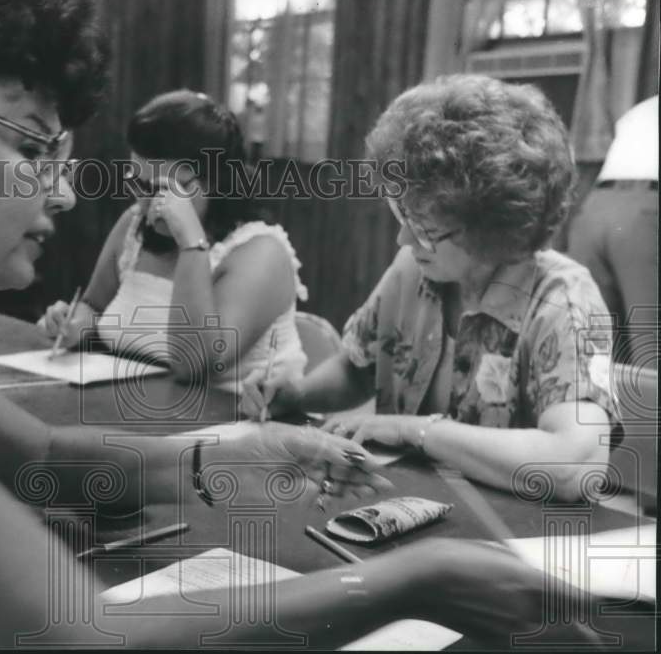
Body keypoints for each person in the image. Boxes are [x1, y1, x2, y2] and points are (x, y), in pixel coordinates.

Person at [0, 0, 588, 649]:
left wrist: (222, 456)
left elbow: (40, 461)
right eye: (33, 146)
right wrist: (413, 579)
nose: (67, 186)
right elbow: (73, 636)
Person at [242, 75, 622, 503]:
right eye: (400, 214)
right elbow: (358, 367)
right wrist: (295, 392)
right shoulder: (416, 267)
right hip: (405, 509)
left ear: (491, 228)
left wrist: (418, 431)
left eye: (424, 229)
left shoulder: (563, 302)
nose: (402, 241)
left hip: (516, 537)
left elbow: (575, 466)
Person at [39, 90, 308, 386]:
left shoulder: (261, 253)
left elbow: (193, 365)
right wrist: (74, 323)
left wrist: (191, 243)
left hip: (237, 421)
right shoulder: (135, 223)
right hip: (144, 409)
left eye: (163, 189)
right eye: (137, 183)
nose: (145, 203)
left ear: (214, 181)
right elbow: (93, 305)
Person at [567, 95, 659, 366]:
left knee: (598, 349)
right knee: (650, 347)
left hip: (595, 207)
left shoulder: (642, 109)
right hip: (645, 212)